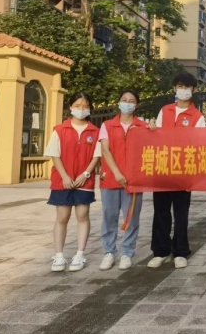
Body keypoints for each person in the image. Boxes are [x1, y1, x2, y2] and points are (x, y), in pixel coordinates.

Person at [148, 72, 206, 270]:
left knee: (181, 213)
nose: (183, 90)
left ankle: (180, 252)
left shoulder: (198, 117)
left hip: (184, 171)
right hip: (163, 168)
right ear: (174, 88)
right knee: (161, 212)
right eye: (180, 86)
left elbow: (199, 144)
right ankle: (161, 251)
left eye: (187, 87)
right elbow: (156, 137)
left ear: (194, 90)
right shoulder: (165, 111)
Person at [45, 92, 101, 272]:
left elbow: (97, 156)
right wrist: (65, 176)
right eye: (77, 106)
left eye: (85, 106)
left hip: (84, 180)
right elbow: (55, 155)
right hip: (62, 181)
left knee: (82, 215)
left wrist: (85, 174)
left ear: (90, 108)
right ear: (70, 107)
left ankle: (80, 254)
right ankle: (59, 255)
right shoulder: (60, 130)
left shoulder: (95, 131)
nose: (81, 109)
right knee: (62, 217)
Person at [98, 90, 148, 271]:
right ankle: (109, 252)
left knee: (131, 217)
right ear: (119, 103)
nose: (127, 103)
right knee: (109, 217)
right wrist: (117, 173)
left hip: (133, 181)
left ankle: (127, 253)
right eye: (124, 100)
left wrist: (153, 131)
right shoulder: (107, 125)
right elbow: (105, 150)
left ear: (137, 105)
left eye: (131, 101)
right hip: (111, 178)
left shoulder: (143, 126)